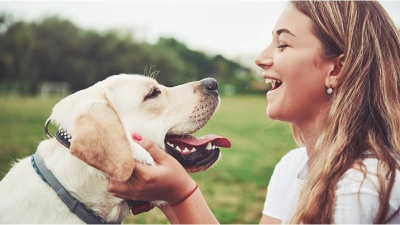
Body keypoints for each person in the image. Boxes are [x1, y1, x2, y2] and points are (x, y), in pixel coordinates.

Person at [108, 1, 400, 223]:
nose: (261, 58)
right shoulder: (294, 167)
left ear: (336, 69)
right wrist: (169, 195)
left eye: (283, 44)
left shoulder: (362, 185)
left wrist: (182, 194)